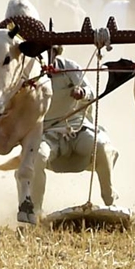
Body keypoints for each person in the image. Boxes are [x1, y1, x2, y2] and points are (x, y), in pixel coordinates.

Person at [28, 50, 119, 216]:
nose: (47, 55)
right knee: (38, 156)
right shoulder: (28, 72)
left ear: (57, 51)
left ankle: (109, 198)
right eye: (42, 51)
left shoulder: (69, 67)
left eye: (51, 51)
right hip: (47, 134)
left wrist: (82, 93)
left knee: (101, 145)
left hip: (78, 129)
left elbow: (90, 91)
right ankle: (35, 211)